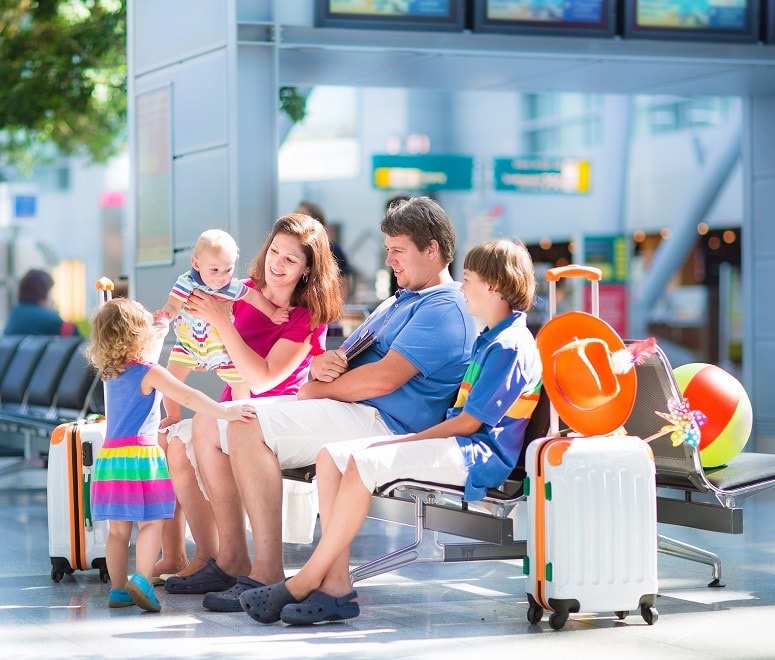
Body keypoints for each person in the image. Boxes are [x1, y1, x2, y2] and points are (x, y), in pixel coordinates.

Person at [190, 195, 477, 613]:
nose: (390, 261)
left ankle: (266, 570)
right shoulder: (399, 301)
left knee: (245, 422)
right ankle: (237, 559)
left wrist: (316, 389)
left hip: (385, 422)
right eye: (389, 251)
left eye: (398, 251)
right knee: (221, 422)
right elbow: (348, 361)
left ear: (431, 249)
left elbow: (383, 378)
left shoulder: (445, 307)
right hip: (356, 410)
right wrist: (322, 368)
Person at [238, 238, 542, 624]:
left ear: (494, 286)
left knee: (366, 458)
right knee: (332, 456)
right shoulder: (493, 339)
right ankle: (334, 588)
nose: (462, 287)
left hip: (473, 455)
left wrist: (407, 442)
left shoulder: (510, 346)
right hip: (456, 444)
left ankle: (308, 582)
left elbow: (470, 424)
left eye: (469, 279)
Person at [159, 213, 343, 589]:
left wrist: (221, 321)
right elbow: (199, 341)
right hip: (235, 404)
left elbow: (262, 379)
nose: (277, 262)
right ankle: (215, 555)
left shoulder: (306, 316)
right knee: (176, 443)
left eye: (290, 259)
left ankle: (237, 561)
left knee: (211, 423)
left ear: (308, 269)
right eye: (274, 250)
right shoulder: (235, 289)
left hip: (278, 411)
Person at [84, 297, 257, 613]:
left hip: (110, 460)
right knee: (151, 525)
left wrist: (160, 330)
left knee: (119, 532)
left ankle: (119, 590)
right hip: (140, 457)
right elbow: (188, 394)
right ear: (140, 337)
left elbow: (142, 354)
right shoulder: (150, 372)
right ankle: (143, 580)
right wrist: (225, 413)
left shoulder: (110, 373)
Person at [155, 228, 289, 413]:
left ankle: (241, 414)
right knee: (170, 381)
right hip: (188, 346)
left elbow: (253, 297)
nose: (221, 277)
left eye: (228, 270)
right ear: (196, 263)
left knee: (240, 385)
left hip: (222, 350)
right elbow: (173, 304)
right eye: (214, 270)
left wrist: (273, 313)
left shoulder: (232, 287)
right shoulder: (186, 282)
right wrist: (166, 315)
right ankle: (172, 416)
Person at [295, 200, 352, 302]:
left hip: (324, 310)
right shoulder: (290, 250)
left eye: (303, 216)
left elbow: (343, 285)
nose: (298, 220)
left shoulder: (333, 250)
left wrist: (337, 312)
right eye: (296, 215)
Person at [3, 268, 80, 336]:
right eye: (50, 293)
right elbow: (76, 337)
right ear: (43, 293)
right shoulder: (47, 318)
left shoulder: (15, 313)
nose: (52, 300)